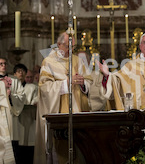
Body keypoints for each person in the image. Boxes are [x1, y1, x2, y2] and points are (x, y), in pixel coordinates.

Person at [34, 32, 93, 164]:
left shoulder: (78, 60)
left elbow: (90, 83)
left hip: (79, 115)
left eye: (73, 47)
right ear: (59, 44)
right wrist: (66, 83)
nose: (70, 50)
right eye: (67, 46)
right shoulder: (49, 62)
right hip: (59, 115)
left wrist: (83, 84)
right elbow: (44, 88)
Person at [0, 57, 25, 164]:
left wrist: (10, 97)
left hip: (11, 117)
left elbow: (22, 97)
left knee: (13, 146)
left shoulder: (14, 81)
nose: (4, 66)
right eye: (1, 64)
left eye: (5, 63)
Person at [13, 63, 38, 164]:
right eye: (19, 71)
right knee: (16, 151)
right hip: (15, 123)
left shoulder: (32, 87)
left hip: (29, 120)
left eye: (23, 71)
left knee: (28, 151)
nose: (21, 73)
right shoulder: (11, 87)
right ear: (14, 74)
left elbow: (36, 100)